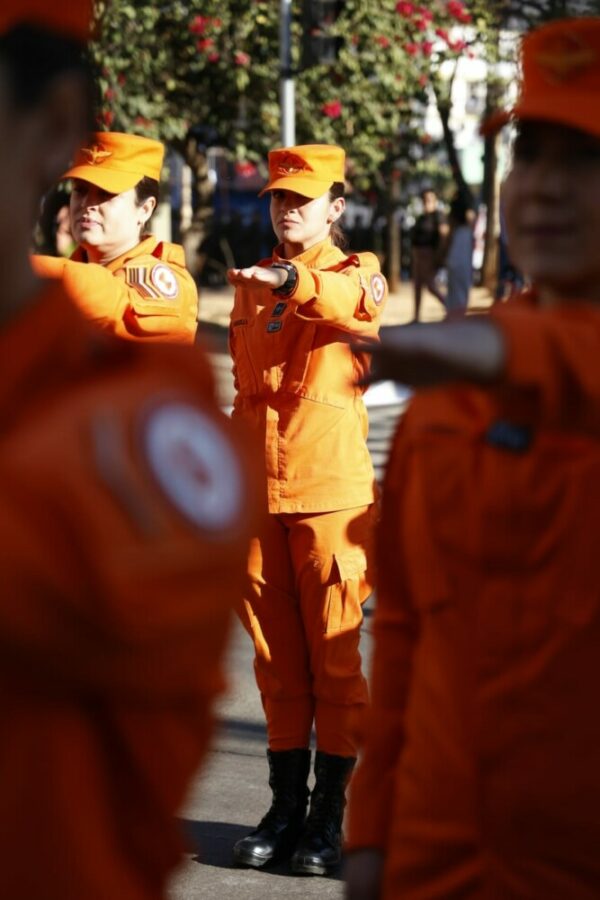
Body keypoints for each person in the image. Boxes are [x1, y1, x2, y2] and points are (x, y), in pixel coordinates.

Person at [0, 3, 254, 899]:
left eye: (101, 198)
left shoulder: (150, 319)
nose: (82, 212)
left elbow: (116, 304)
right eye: (77, 196)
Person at [345, 16, 600, 900]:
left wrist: (503, 358)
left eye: (585, 162)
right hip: (439, 853)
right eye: (532, 157)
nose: (546, 191)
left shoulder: (475, 363)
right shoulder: (451, 394)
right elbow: (406, 634)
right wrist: (371, 837)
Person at [227, 143, 388, 876]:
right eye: (279, 197)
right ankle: (284, 809)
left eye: (304, 197)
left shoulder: (362, 275)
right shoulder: (250, 285)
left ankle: (329, 819)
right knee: (278, 667)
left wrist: (287, 278)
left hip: (328, 498)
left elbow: (335, 297)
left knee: (336, 667)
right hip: (259, 495)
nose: (288, 208)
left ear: (337, 206)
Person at [33, 131, 199, 343]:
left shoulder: (168, 284)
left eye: (105, 194)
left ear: (145, 209)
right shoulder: (66, 273)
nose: (87, 204)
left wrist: (24, 273)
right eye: (80, 190)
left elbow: (113, 303)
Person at [410, 187, 448, 321]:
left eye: (429, 199)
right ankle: (416, 317)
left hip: (430, 255)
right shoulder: (421, 218)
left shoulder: (438, 215)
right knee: (417, 286)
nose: (427, 202)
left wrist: (439, 255)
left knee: (431, 286)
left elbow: (443, 236)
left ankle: (449, 307)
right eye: (424, 199)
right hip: (418, 255)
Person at [444, 191, 475, 313]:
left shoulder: (457, 228)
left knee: (454, 291)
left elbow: (449, 238)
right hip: (462, 259)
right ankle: (458, 314)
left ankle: (453, 314)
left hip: (455, 259)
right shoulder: (466, 229)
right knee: (461, 291)